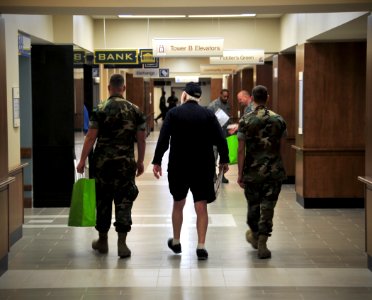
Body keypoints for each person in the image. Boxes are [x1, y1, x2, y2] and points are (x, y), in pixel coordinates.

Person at [152, 82, 229, 260]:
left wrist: (157, 161)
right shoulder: (208, 114)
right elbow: (220, 139)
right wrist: (224, 160)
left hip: (179, 165)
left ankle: (177, 241)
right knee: (201, 205)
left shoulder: (173, 113)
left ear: (184, 95)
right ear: (199, 97)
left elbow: (163, 139)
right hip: (203, 166)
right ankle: (201, 246)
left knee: (178, 203)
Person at [76, 74, 146, 259]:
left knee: (103, 201)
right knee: (124, 201)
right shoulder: (135, 110)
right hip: (125, 164)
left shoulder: (100, 109)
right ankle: (122, 244)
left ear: (109, 88)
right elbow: (141, 139)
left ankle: (102, 240)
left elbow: (91, 136)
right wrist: (140, 162)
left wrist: (82, 160)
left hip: (102, 165)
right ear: (123, 88)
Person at [237, 85, 287, 259]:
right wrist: (280, 166)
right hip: (273, 172)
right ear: (268, 97)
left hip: (252, 172)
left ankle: (257, 236)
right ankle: (262, 242)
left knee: (254, 207)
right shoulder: (279, 120)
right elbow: (282, 148)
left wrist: (240, 174)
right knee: (268, 208)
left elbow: (240, 149)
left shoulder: (246, 120)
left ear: (252, 98)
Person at [207, 89, 231, 183]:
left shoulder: (227, 105)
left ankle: (222, 176)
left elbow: (228, 118)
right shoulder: (212, 106)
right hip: (214, 136)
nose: (226, 98)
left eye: (227, 97)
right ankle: (213, 176)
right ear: (220, 95)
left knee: (223, 158)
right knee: (213, 156)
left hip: (224, 135)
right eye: (224, 96)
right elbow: (207, 120)